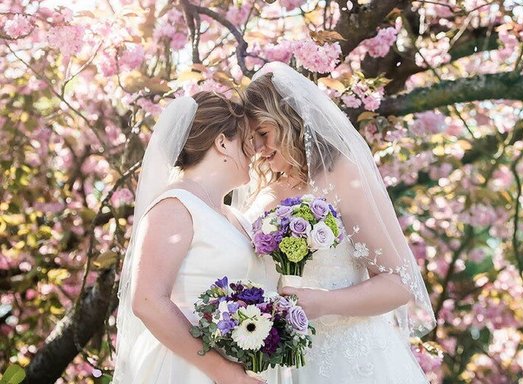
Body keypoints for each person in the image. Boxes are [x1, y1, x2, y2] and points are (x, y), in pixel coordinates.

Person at [235, 62, 437, 383]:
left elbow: (399, 284)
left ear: (289, 121)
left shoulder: (341, 175)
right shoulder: (264, 191)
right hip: (278, 364)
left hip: (349, 359)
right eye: (251, 139)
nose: (258, 149)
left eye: (263, 133)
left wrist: (324, 303)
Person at [113, 91, 269, 384]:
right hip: (184, 369)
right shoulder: (174, 206)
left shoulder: (238, 218)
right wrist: (222, 372)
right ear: (222, 142)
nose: (255, 150)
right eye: (247, 141)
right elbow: (147, 301)